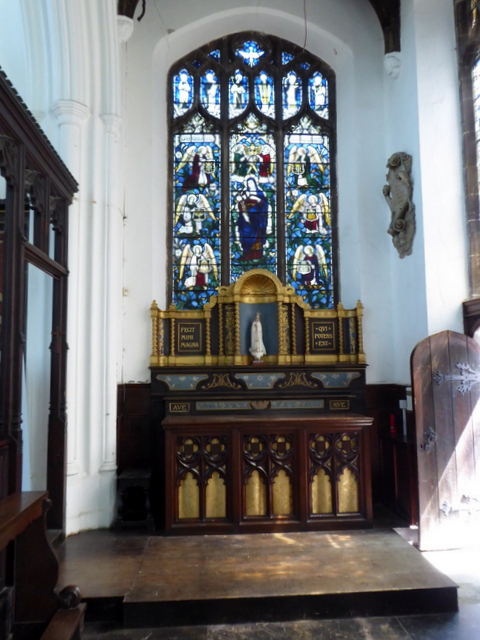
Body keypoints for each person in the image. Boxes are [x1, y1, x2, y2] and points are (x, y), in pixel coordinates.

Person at [236, 177, 269, 261]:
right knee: (246, 235)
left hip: (257, 218)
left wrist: (257, 199)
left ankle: (258, 255)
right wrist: (244, 214)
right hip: (245, 218)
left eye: (251, 183)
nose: (250, 184)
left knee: (257, 236)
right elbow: (241, 205)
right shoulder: (245, 193)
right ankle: (247, 255)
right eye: (248, 183)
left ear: (255, 183)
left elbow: (265, 205)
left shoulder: (260, 193)